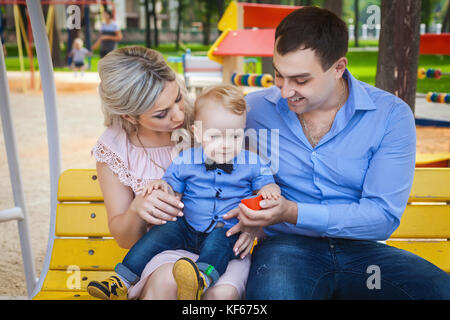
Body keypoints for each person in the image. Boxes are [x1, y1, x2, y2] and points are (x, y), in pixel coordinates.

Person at [224, 6, 450, 299]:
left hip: (363, 253)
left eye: (301, 80)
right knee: (277, 295)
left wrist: (292, 212)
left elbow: (381, 217)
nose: (284, 91)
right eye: (279, 75)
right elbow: (198, 146)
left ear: (339, 68)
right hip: (288, 250)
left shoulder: (390, 115)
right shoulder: (252, 110)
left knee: (439, 291)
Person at [87, 84, 280, 300]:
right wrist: (160, 186)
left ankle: (200, 279)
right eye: (215, 137)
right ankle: (121, 280)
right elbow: (171, 186)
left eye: (234, 136)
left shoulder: (251, 161)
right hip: (188, 226)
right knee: (160, 234)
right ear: (197, 132)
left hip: (224, 229)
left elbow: (264, 183)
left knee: (221, 242)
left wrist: (269, 188)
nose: (226, 145)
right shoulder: (185, 159)